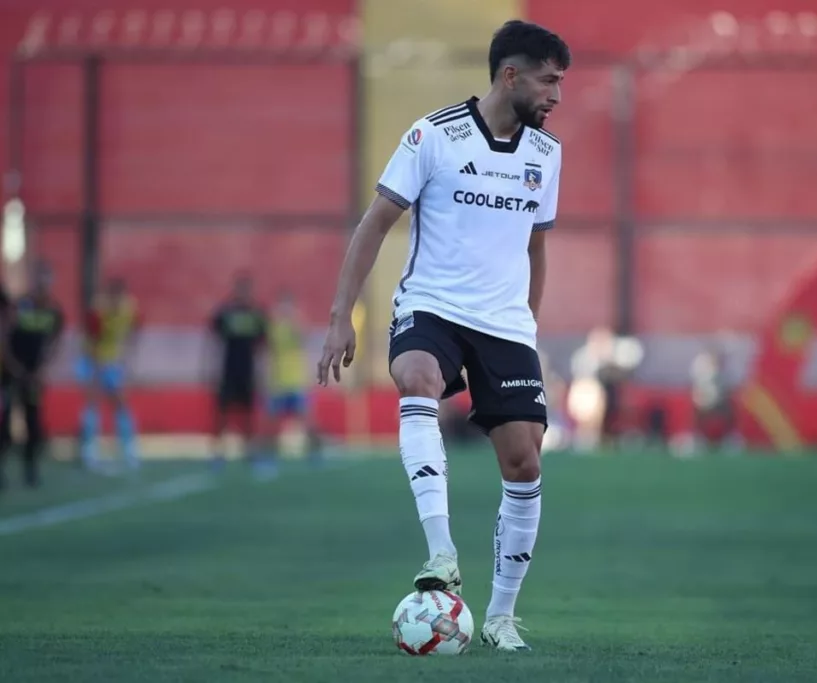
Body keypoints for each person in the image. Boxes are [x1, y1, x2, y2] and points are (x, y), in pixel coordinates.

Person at [316, 20, 570, 651]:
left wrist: (528, 323)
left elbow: (537, 247)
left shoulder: (546, 154)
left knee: (524, 460)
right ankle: (443, 552)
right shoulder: (434, 135)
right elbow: (375, 223)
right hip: (432, 305)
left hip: (505, 324)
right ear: (510, 75)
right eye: (548, 80)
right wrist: (339, 315)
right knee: (418, 379)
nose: (555, 96)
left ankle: (501, 617)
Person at [0, 263, 64, 490]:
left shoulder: (54, 311)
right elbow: (5, 336)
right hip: (10, 374)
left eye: (46, 281)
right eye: (38, 280)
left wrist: (42, 368)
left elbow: (56, 342)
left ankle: (31, 470)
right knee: (4, 422)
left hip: (34, 377)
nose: (42, 286)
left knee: (32, 422)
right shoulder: (20, 306)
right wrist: (12, 365)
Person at [77, 277, 141, 471]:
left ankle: (129, 449)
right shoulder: (98, 310)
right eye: (114, 295)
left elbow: (133, 332)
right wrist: (96, 367)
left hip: (112, 361)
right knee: (93, 401)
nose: (117, 299)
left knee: (120, 402)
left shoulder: (129, 308)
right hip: (92, 360)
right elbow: (91, 338)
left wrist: (127, 360)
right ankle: (88, 450)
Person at [209, 273, 267, 470]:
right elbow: (213, 340)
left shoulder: (256, 314)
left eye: (247, 289)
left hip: (248, 371)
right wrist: (210, 369)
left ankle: (251, 452)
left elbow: (262, 344)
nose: (244, 293)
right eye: (241, 289)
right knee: (222, 414)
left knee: (249, 415)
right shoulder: (225, 313)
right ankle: (219, 454)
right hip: (228, 370)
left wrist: (262, 371)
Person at [265, 290, 321, 463]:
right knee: (272, 423)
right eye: (282, 304)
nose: (285, 308)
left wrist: (294, 319)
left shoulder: (296, 323)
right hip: (278, 381)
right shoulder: (274, 326)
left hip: (297, 380)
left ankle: (315, 454)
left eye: (288, 305)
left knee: (307, 420)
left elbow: (305, 336)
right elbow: (269, 350)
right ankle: (270, 457)